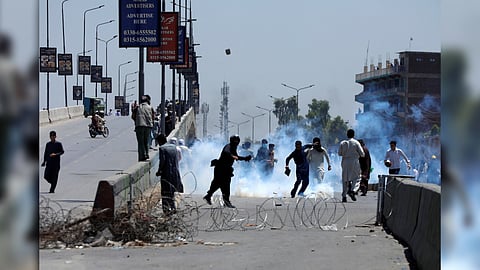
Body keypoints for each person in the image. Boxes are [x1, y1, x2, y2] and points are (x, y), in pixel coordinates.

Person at [203, 135, 252, 208]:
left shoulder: (234, 148)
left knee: (220, 184)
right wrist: (232, 156)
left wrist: (245, 158)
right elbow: (226, 152)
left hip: (225, 169)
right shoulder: (228, 146)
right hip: (221, 168)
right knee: (222, 184)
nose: (236, 142)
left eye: (237, 141)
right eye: (234, 141)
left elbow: (237, 157)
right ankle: (225, 201)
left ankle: (211, 196)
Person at [155, 134, 183, 215]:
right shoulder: (174, 147)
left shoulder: (162, 148)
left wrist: (159, 171)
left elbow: (162, 161)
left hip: (166, 174)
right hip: (175, 173)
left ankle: (166, 210)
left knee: (165, 192)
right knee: (172, 191)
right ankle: (173, 207)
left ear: (160, 141)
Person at [338, 129, 365, 202]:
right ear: (353, 135)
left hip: (345, 161)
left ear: (347, 134)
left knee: (345, 179)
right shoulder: (356, 142)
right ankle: (353, 190)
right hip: (354, 161)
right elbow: (362, 154)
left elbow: (339, 153)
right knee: (357, 177)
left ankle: (344, 196)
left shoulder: (343, 143)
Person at [132, 95, 155, 161]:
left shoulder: (137, 107)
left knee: (140, 142)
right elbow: (153, 117)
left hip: (139, 126)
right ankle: (147, 154)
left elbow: (133, 116)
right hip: (148, 126)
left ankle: (143, 155)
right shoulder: (150, 107)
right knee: (146, 141)